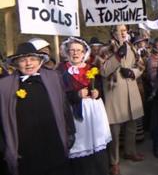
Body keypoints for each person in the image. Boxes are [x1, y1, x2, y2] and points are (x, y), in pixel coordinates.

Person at [0, 42, 75, 175]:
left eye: (33, 59)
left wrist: (70, 133)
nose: (29, 63)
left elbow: (64, 108)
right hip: (26, 151)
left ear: (40, 61)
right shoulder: (4, 86)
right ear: (16, 63)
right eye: (23, 60)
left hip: (54, 144)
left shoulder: (54, 78)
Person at [57, 37, 111, 175]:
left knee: (97, 144)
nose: (75, 53)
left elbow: (99, 86)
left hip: (94, 112)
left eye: (79, 51)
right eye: (72, 50)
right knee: (80, 145)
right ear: (67, 52)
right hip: (75, 112)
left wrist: (97, 92)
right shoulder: (61, 70)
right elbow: (59, 94)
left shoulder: (91, 68)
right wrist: (77, 95)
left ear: (84, 52)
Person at [101, 25, 145, 175]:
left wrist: (133, 73)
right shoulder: (105, 49)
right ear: (113, 32)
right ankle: (114, 162)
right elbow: (104, 70)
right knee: (114, 129)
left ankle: (130, 151)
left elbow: (141, 65)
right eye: (120, 30)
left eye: (125, 30)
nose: (123, 33)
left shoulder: (131, 47)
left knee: (132, 125)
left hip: (131, 91)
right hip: (114, 94)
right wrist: (117, 57)